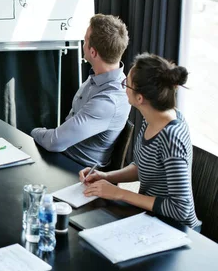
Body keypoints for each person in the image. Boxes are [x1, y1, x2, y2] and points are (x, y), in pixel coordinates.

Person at [81, 53, 201, 229]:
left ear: (140, 98)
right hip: (150, 218)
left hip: (175, 229)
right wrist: (106, 176)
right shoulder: (151, 119)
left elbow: (181, 208)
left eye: (126, 84)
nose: (124, 88)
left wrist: (120, 193)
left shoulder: (171, 138)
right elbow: (142, 166)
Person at [31, 14, 131, 167]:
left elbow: (55, 142)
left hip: (77, 169)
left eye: (85, 41)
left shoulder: (108, 101)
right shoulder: (99, 76)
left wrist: (32, 132)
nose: (83, 44)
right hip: (64, 154)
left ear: (93, 52)